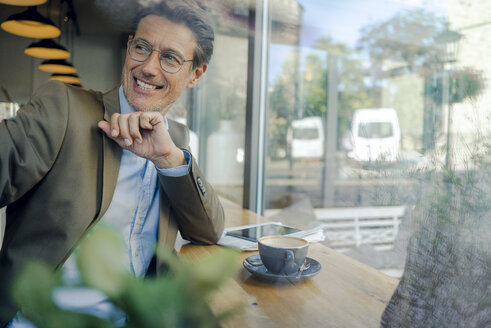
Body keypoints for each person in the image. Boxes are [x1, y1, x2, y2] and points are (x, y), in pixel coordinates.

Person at [0, 0, 224, 326]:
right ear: (129, 46)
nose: (148, 67)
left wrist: (168, 157)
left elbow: (208, 230)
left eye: (170, 58)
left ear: (195, 75)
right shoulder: (64, 109)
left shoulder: (175, 138)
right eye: (142, 47)